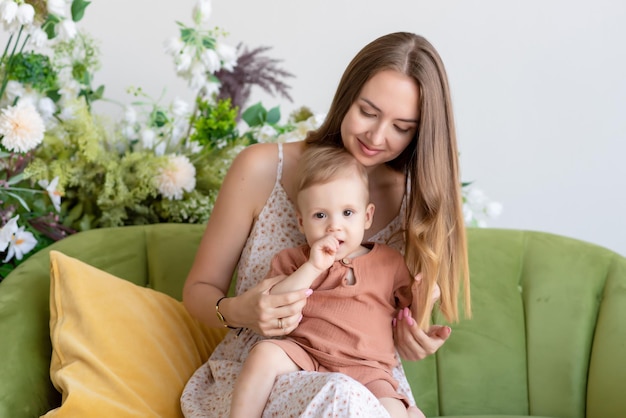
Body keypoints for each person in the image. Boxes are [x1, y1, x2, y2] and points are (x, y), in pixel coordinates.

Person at [181, 31, 471, 418]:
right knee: (340, 396)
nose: (377, 136)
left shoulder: (416, 200)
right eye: (368, 111)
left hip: (366, 385)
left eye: (402, 127)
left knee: (354, 398)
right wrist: (238, 311)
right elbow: (199, 291)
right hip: (265, 376)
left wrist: (412, 332)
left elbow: (395, 309)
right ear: (346, 96)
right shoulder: (262, 168)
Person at [230, 146, 423, 418]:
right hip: (305, 354)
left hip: (369, 369)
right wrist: (312, 267)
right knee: (263, 353)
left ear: (367, 216)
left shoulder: (390, 262)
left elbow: (412, 307)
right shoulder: (295, 259)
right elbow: (274, 301)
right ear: (301, 221)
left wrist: (427, 291)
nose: (334, 226)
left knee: (403, 412)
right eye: (320, 215)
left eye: (347, 213)